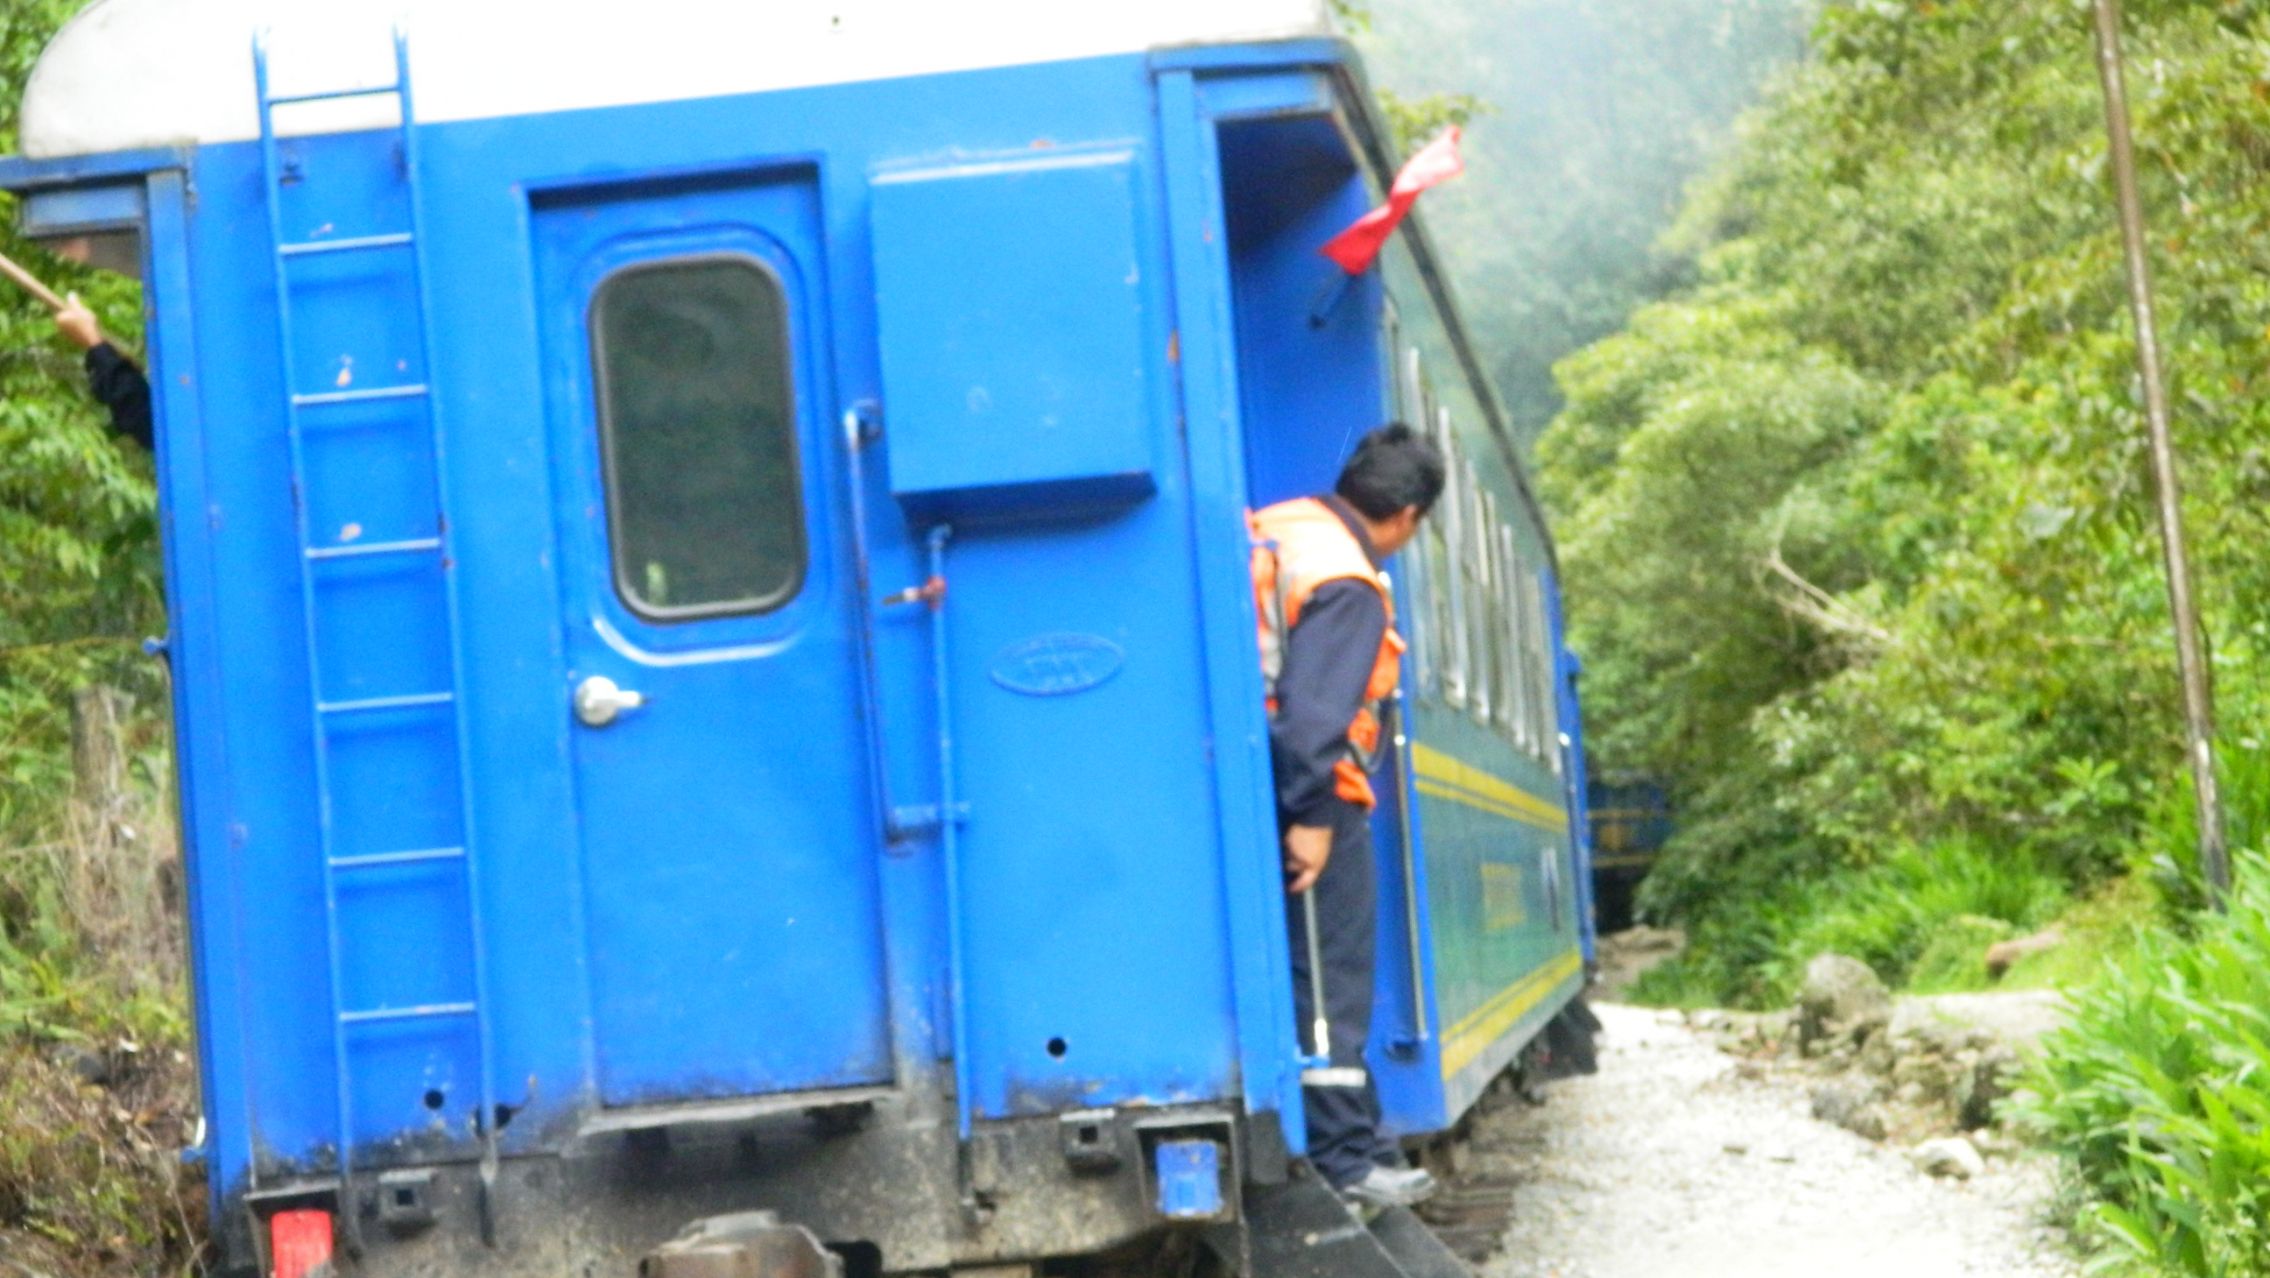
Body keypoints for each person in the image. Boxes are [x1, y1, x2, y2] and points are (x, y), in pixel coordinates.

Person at [1249, 422, 1446, 1208]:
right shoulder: (1348, 581)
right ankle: (1343, 1159)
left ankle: (1361, 1139)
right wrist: (1314, 816)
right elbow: (1314, 719)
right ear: (1406, 515)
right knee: (1331, 978)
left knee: (1314, 973)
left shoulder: (1280, 526)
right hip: (1311, 792)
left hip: (1249, 775)